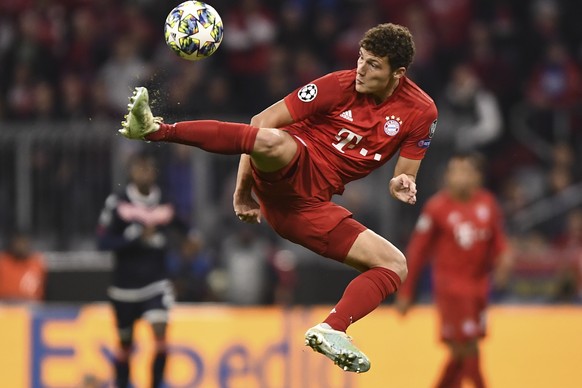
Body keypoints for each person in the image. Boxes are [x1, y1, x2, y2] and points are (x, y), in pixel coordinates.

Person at [119, 23, 438, 373]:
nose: (360, 69)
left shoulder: (421, 112)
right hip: (291, 167)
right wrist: (242, 191)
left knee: (395, 264)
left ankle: (332, 328)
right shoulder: (338, 85)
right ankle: (155, 129)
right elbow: (261, 121)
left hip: (307, 209)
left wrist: (401, 183)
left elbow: (404, 173)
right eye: (361, 59)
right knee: (273, 140)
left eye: (373, 65)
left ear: (399, 73)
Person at [395, 153, 513, 388]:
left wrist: (505, 259)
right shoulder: (437, 208)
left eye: (465, 170)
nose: (459, 177)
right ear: (447, 177)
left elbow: (498, 241)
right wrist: (406, 291)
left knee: (460, 354)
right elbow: (417, 252)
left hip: (479, 288)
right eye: (454, 171)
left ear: (476, 177)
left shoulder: (487, 203)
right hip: (452, 289)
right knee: (467, 347)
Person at [97, 151, 192, 388]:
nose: (145, 173)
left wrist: (191, 241)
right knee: (125, 345)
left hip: (155, 282)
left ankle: (156, 383)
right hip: (124, 287)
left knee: (160, 334)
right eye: (140, 168)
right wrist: (135, 238)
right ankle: (122, 383)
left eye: (149, 168)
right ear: (131, 172)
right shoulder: (118, 203)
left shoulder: (165, 202)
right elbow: (102, 242)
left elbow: (185, 228)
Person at [0, 230, 46, 302]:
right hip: (5, 304)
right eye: (18, 243)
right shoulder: (3, 262)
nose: (21, 246)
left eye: (24, 243)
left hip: (30, 304)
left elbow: (40, 292)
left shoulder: (36, 264)